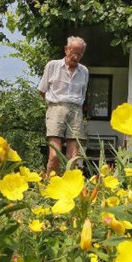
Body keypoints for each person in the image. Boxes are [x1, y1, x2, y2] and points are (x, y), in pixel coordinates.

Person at [38, 36, 89, 175]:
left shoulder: (84, 71)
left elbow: (83, 95)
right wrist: (53, 105)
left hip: (76, 111)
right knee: (54, 155)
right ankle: (49, 187)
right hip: (56, 108)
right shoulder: (52, 66)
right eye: (73, 52)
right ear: (66, 50)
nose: (76, 56)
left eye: (79, 54)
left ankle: (69, 189)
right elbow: (42, 90)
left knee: (73, 158)